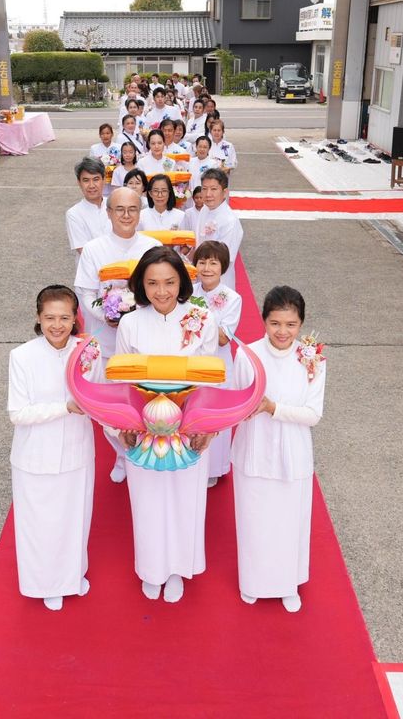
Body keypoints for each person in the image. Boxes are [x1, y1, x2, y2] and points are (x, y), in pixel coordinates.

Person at [115, 246, 218, 603]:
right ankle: (151, 568)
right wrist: (123, 425)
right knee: (146, 498)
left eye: (170, 282)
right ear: (141, 285)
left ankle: (178, 568)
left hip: (189, 426)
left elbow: (211, 380)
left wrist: (209, 427)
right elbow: (123, 382)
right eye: (153, 283)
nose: (162, 291)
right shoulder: (130, 323)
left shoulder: (201, 318)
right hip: (144, 428)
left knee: (185, 497)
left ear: (182, 282)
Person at [7, 284, 103, 611]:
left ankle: (72, 576)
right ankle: (42, 583)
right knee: (40, 524)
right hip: (34, 456)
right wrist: (66, 407)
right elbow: (18, 413)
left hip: (77, 451)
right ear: (38, 317)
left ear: (76, 318)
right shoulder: (22, 356)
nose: (58, 325)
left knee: (75, 518)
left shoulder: (88, 350)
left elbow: (99, 397)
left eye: (65, 317)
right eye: (50, 318)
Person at [231, 285, 325, 613]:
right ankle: (253, 582)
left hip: (294, 452)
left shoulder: (313, 360)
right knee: (254, 518)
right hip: (253, 449)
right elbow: (234, 400)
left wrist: (273, 408)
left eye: (290, 325)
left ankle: (288, 584)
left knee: (289, 521)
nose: (282, 332)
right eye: (275, 323)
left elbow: (313, 414)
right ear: (264, 321)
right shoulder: (247, 354)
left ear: (301, 324)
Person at [74, 187, 161, 481]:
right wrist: (106, 315)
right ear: (108, 213)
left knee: (141, 400)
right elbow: (86, 293)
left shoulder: (152, 248)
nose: (126, 215)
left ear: (140, 213)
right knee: (107, 406)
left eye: (132, 209)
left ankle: (141, 451)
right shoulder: (94, 249)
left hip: (145, 339)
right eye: (119, 209)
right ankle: (122, 453)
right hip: (106, 338)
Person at [192, 241, 242, 487]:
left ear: (222, 267)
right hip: (190, 363)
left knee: (216, 416)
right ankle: (193, 461)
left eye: (213, 263)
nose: (207, 268)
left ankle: (215, 467)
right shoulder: (187, 293)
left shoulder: (232, 298)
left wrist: (199, 318)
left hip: (218, 365)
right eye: (202, 262)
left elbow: (224, 338)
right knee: (194, 412)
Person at [195, 169, 243, 290]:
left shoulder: (230, 221)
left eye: (214, 189)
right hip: (202, 274)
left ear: (225, 192)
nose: (208, 194)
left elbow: (225, 259)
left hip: (220, 280)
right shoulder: (204, 210)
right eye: (204, 189)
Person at [65, 159, 110, 264]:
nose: (91, 185)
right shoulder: (74, 214)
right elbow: (83, 250)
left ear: (104, 180)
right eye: (86, 180)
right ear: (79, 183)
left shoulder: (115, 205)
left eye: (96, 179)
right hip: (90, 274)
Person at [89, 123, 121, 197]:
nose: (105, 136)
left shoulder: (118, 147)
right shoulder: (94, 148)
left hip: (115, 181)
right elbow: (91, 165)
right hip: (101, 181)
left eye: (107, 133)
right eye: (102, 134)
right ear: (100, 135)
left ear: (112, 134)